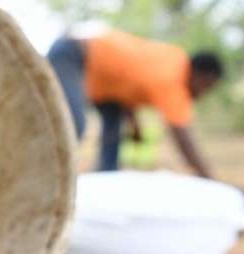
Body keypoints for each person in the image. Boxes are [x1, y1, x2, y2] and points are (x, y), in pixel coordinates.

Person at [47, 29, 223, 178]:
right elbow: (184, 140)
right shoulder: (173, 79)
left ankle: (105, 182)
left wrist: (134, 125)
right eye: (207, 86)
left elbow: (130, 86)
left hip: (106, 88)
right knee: (69, 126)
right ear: (200, 75)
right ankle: (40, 183)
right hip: (74, 55)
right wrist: (210, 179)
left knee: (112, 143)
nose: (203, 93)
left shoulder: (173, 61)